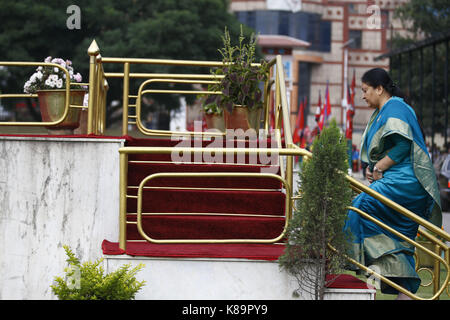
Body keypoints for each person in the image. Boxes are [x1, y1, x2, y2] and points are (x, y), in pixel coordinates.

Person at [343, 68, 442, 300]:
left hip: (406, 182)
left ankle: (342, 259)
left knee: (358, 207)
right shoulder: (385, 110)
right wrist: (373, 168)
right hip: (399, 180)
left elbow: (401, 146)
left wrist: (378, 168)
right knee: (398, 239)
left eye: (365, 90)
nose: (362, 96)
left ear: (380, 89)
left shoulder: (395, 108)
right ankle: (405, 294)